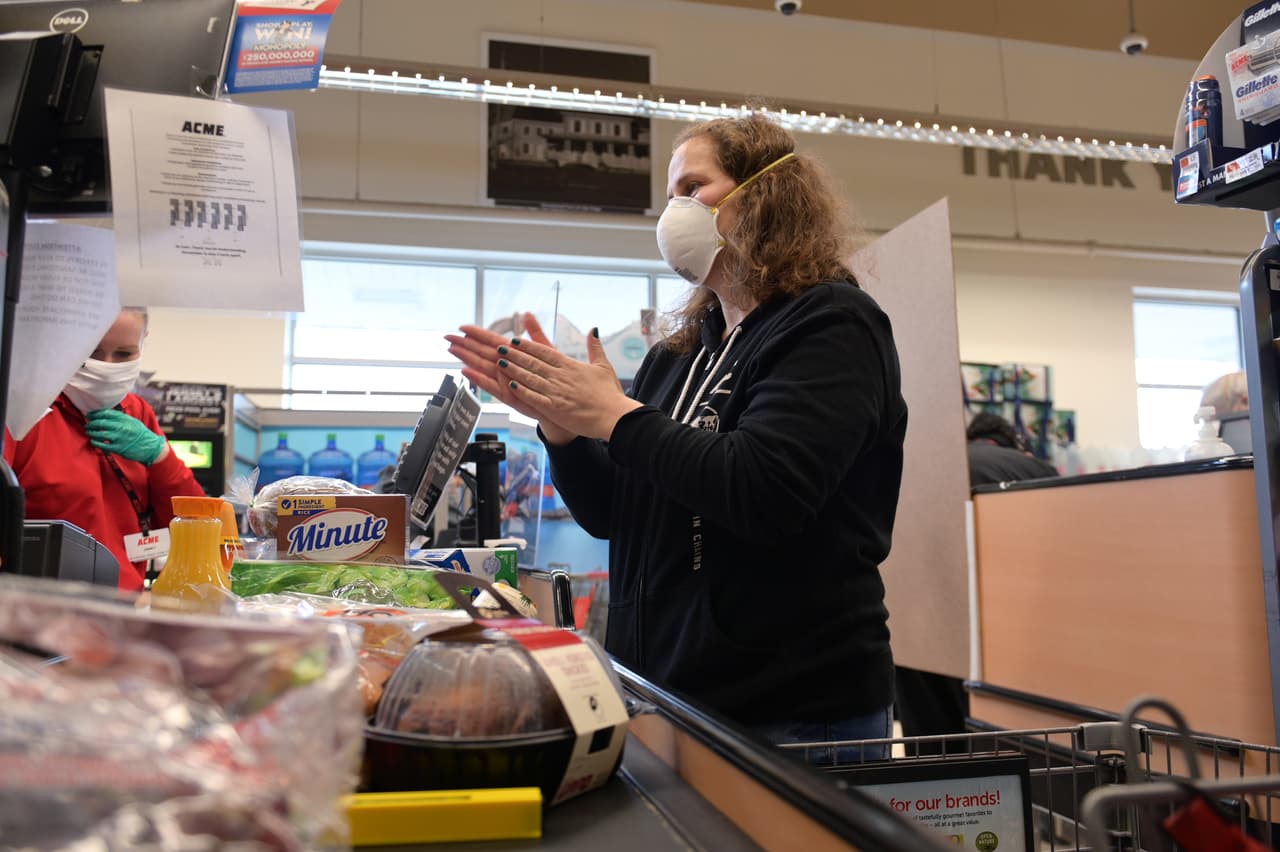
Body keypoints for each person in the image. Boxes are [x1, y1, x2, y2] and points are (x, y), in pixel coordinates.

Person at [448, 114, 907, 759]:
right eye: (670, 195)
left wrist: (614, 416)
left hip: (795, 708)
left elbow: (765, 489)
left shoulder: (831, 324)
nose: (674, 211)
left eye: (694, 188)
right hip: (672, 693)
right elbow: (615, 514)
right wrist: (567, 432)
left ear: (765, 194)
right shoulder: (680, 355)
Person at [3, 308, 204, 590]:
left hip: (123, 608)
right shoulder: (24, 413)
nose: (106, 365)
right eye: (93, 352)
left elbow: (194, 523)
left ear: (143, 343)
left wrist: (161, 458)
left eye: (124, 354)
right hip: (43, 609)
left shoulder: (137, 412)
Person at [895, 412, 1057, 752]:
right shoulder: (1037, 468)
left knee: (932, 738)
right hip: (1004, 615)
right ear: (1013, 442)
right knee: (998, 736)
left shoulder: (930, 463)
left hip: (922, 614)